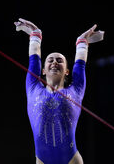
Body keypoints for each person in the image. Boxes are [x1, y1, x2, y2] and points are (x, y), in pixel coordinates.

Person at [14, 18, 104, 164]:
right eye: (50, 60)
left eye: (59, 60)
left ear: (67, 71)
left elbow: (80, 65)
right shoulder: (32, 87)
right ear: (43, 70)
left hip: (71, 160)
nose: (54, 62)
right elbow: (34, 60)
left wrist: (82, 42)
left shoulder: (76, 90)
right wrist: (36, 35)